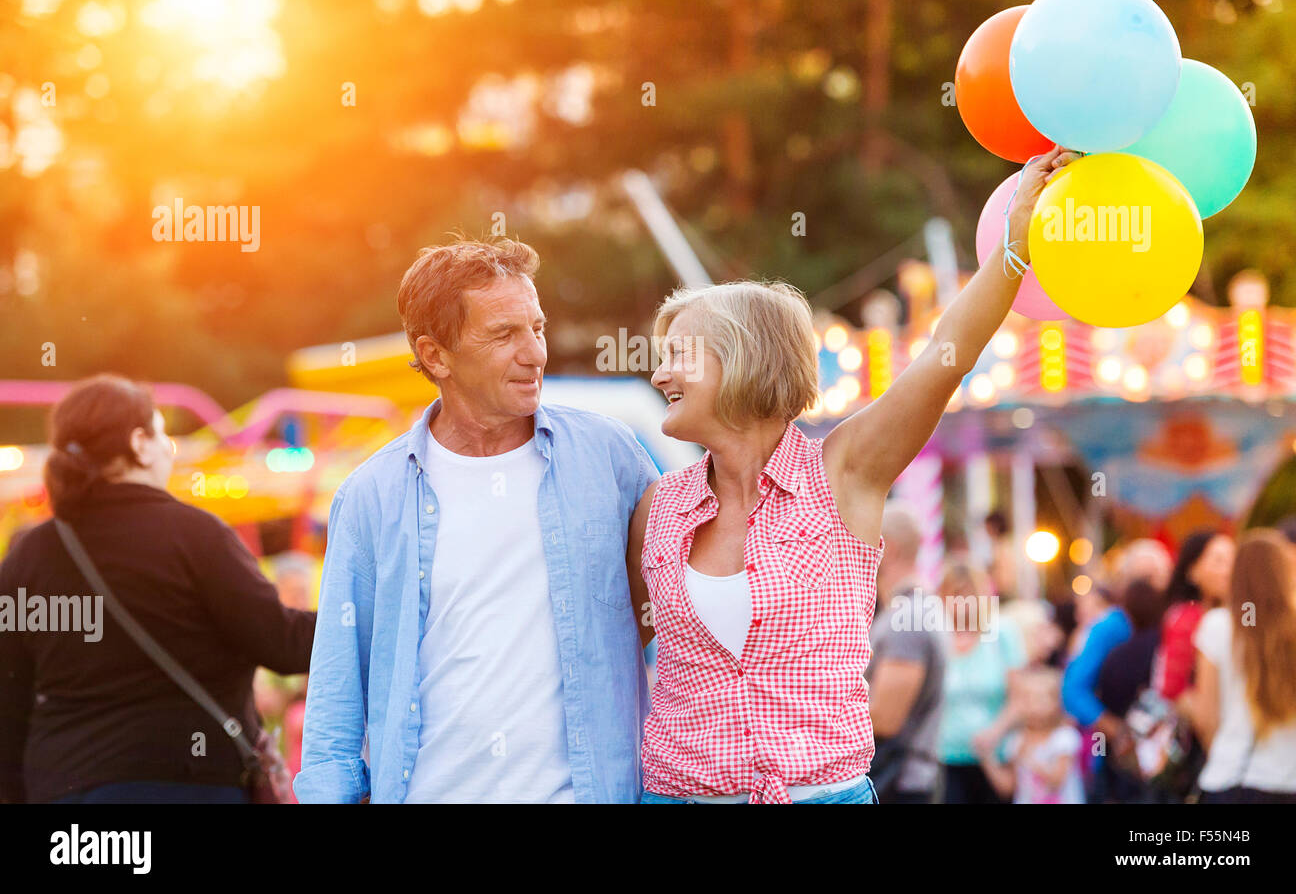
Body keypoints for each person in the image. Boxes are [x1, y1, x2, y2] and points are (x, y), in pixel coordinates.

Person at [631, 144, 1081, 804]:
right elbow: (615, 649)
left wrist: (1013, 249)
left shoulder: (843, 472)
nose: (659, 374)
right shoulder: (660, 506)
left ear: (742, 361)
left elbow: (945, 358)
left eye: (678, 356)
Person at [295, 237, 659, 804]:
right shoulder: (372, 497)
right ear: (436, 354)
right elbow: (337, 684)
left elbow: (673, 625)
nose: (535, 353)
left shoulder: (611, 458)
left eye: (536, 328)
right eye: (504, 334)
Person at [0, 374, 316, 804]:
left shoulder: (30, 556)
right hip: (185, 781)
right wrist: (381, 617)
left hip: (66, 793)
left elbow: (9, 698)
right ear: (139, 443)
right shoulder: (194, 535)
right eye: (162, 433)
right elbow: (281, 642)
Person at [1181, 529, 1296, 802]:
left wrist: (1221, 751)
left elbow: (1206, 717)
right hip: (1292, 781)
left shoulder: (1217, 625)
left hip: (1233, 777)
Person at [1063, 537, 1173, 795]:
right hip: (1122, 763)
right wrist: (1116, 729)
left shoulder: (1175, 621)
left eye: (1156, 577)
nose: (1150, 586)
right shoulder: (1110, 627)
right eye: (1141, 578)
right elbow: (1074, 689)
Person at [864, 502, 946, 803]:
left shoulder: (906, 618)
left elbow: (886, 719)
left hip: (899, 784)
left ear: (889, 548)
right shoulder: (911, 609)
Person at [938, 561, 1027, 804]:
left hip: (994, 759)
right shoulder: (936, 637)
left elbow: (1019, 698)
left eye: (969, 594)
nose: (961, 602)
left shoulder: (1002, 632)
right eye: (955, 594)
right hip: (945, 758)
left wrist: (995, 732)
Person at [975, 666, 1084, 804]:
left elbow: (1057, 781)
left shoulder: (1065, 738)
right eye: (1027, 699)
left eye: (1039, 699)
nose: (1033, 705)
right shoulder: (1016, 740)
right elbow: (1008, 788)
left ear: (1056, 702)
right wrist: (986, 758)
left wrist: (1028, 759)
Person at [1154, 529, 1233, 702]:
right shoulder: (1186, 618)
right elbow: (1173, 689)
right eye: (1218, 561)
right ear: (1193, 571)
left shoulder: (1232, 614)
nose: (1228, 570)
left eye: (1232, 560)